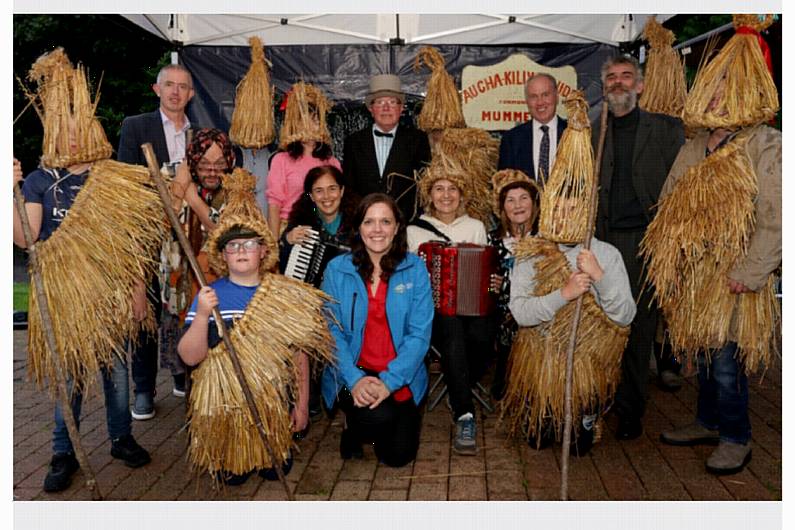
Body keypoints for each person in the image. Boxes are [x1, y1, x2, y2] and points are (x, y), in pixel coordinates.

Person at [648, 15, 781, 475]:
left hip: (734, 274)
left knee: (726, 360)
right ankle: (706, 421)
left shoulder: (767, 145)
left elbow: (777, 219)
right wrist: (670, 257)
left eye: (729, 86)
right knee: (701, 353)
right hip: (694, 275)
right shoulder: (696, 143)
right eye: (715, 85)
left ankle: (735, 436)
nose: (720, 94)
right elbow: (670, 199)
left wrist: (748, 273)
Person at [592, 55, 685, 440]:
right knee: (601, 325)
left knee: (637, 326)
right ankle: (599, 400)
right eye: (611, 77)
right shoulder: (589, 130)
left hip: (644, 243)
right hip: (600, 241)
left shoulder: (667, 130)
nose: (618, 83)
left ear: (640, 86)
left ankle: (631, 408)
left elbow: (683, 188)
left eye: (626, 76)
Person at [321, 193, 433, 467]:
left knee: (397, 457)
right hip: (352, 371)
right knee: (376, 418)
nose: (377, 229)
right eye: (369, 222)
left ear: (397, 227)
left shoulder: (415, 268)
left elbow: (419, 335)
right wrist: (355, 379)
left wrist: (389, 383)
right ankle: (354, 427)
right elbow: (330, 332)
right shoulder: (337, 270)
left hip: (399, 374)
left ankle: (376, 426)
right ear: (358, 227)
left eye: (385, 221)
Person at [117, 63, 197, 420]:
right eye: (170, 85)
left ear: (191, 95)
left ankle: (182, 373)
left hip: (187, 237)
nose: (176, 92)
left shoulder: (200, 134)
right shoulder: (136, 127)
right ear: (157, 89)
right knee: (147, 311)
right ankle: (144, 390)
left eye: (182, 87)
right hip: (150, 234)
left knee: (184, 308)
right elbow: (125, 186)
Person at [406, 160, 490, 455]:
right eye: (439, 189)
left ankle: (458, 385)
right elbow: (408, 276)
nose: (445, 195)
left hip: (473, 307)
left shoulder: (476, 227)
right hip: (433, 311)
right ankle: (464, 413)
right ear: (429, 195)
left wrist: (493, 281)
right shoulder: (414, 231)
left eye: (452, 189)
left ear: (461, 194)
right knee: (452, 329)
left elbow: (486, 272)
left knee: (483, 335)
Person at [159, 128, 237, 399]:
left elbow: (223, 233)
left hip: (220, 294)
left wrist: (192, 198)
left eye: (219, 164)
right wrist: (181, 187)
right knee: (191, 367)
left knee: (219, 362)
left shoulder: (237, 189)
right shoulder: (172, 176)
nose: (212, 171)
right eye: (204, 165)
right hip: (182, 290)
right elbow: (163, 221)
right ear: (193, 162)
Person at [342, 74, 431, 222]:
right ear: (371, 108)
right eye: (380, 102)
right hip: (365, 222)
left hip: (405, 222)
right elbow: (349, 187)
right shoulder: (353, 142)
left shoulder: (418, 139)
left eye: (392, 102)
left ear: (401, 108)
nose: (386, 108)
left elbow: (424, 185)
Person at [486, 170, 541, 400]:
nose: (518, 205)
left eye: (523, 198)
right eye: (510, 200)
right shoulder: (492, 240)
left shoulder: (546, 239)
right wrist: (492, 284)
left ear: (534, 204)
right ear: (502, 208)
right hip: (502, 311)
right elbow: (483, 280)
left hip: (538, 307)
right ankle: (507, 370)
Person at [266, 82, 340, 238]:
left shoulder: (332, 162)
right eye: (303, 121)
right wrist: (274, 244)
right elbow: (274, 204)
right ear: (294, 124)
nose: (309, 126)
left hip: (325, 229)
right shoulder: (281, 160)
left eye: (314, 120)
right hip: (291, 229)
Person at [279, 165, 356, 287]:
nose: (326, 196)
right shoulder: (301, 220)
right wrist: (287, 242)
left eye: (332, 189)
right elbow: (282, 269)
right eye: (319, 191)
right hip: (311, 296)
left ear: (341, 191)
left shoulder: (359, 222)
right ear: (311, 196)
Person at [498, 73, 568, 183]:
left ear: (556, 97)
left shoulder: (574, 134)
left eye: (545, 95)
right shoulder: (511, 140)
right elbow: (503, 188)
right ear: (527, 101)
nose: (540, 102)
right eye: (533, 96)